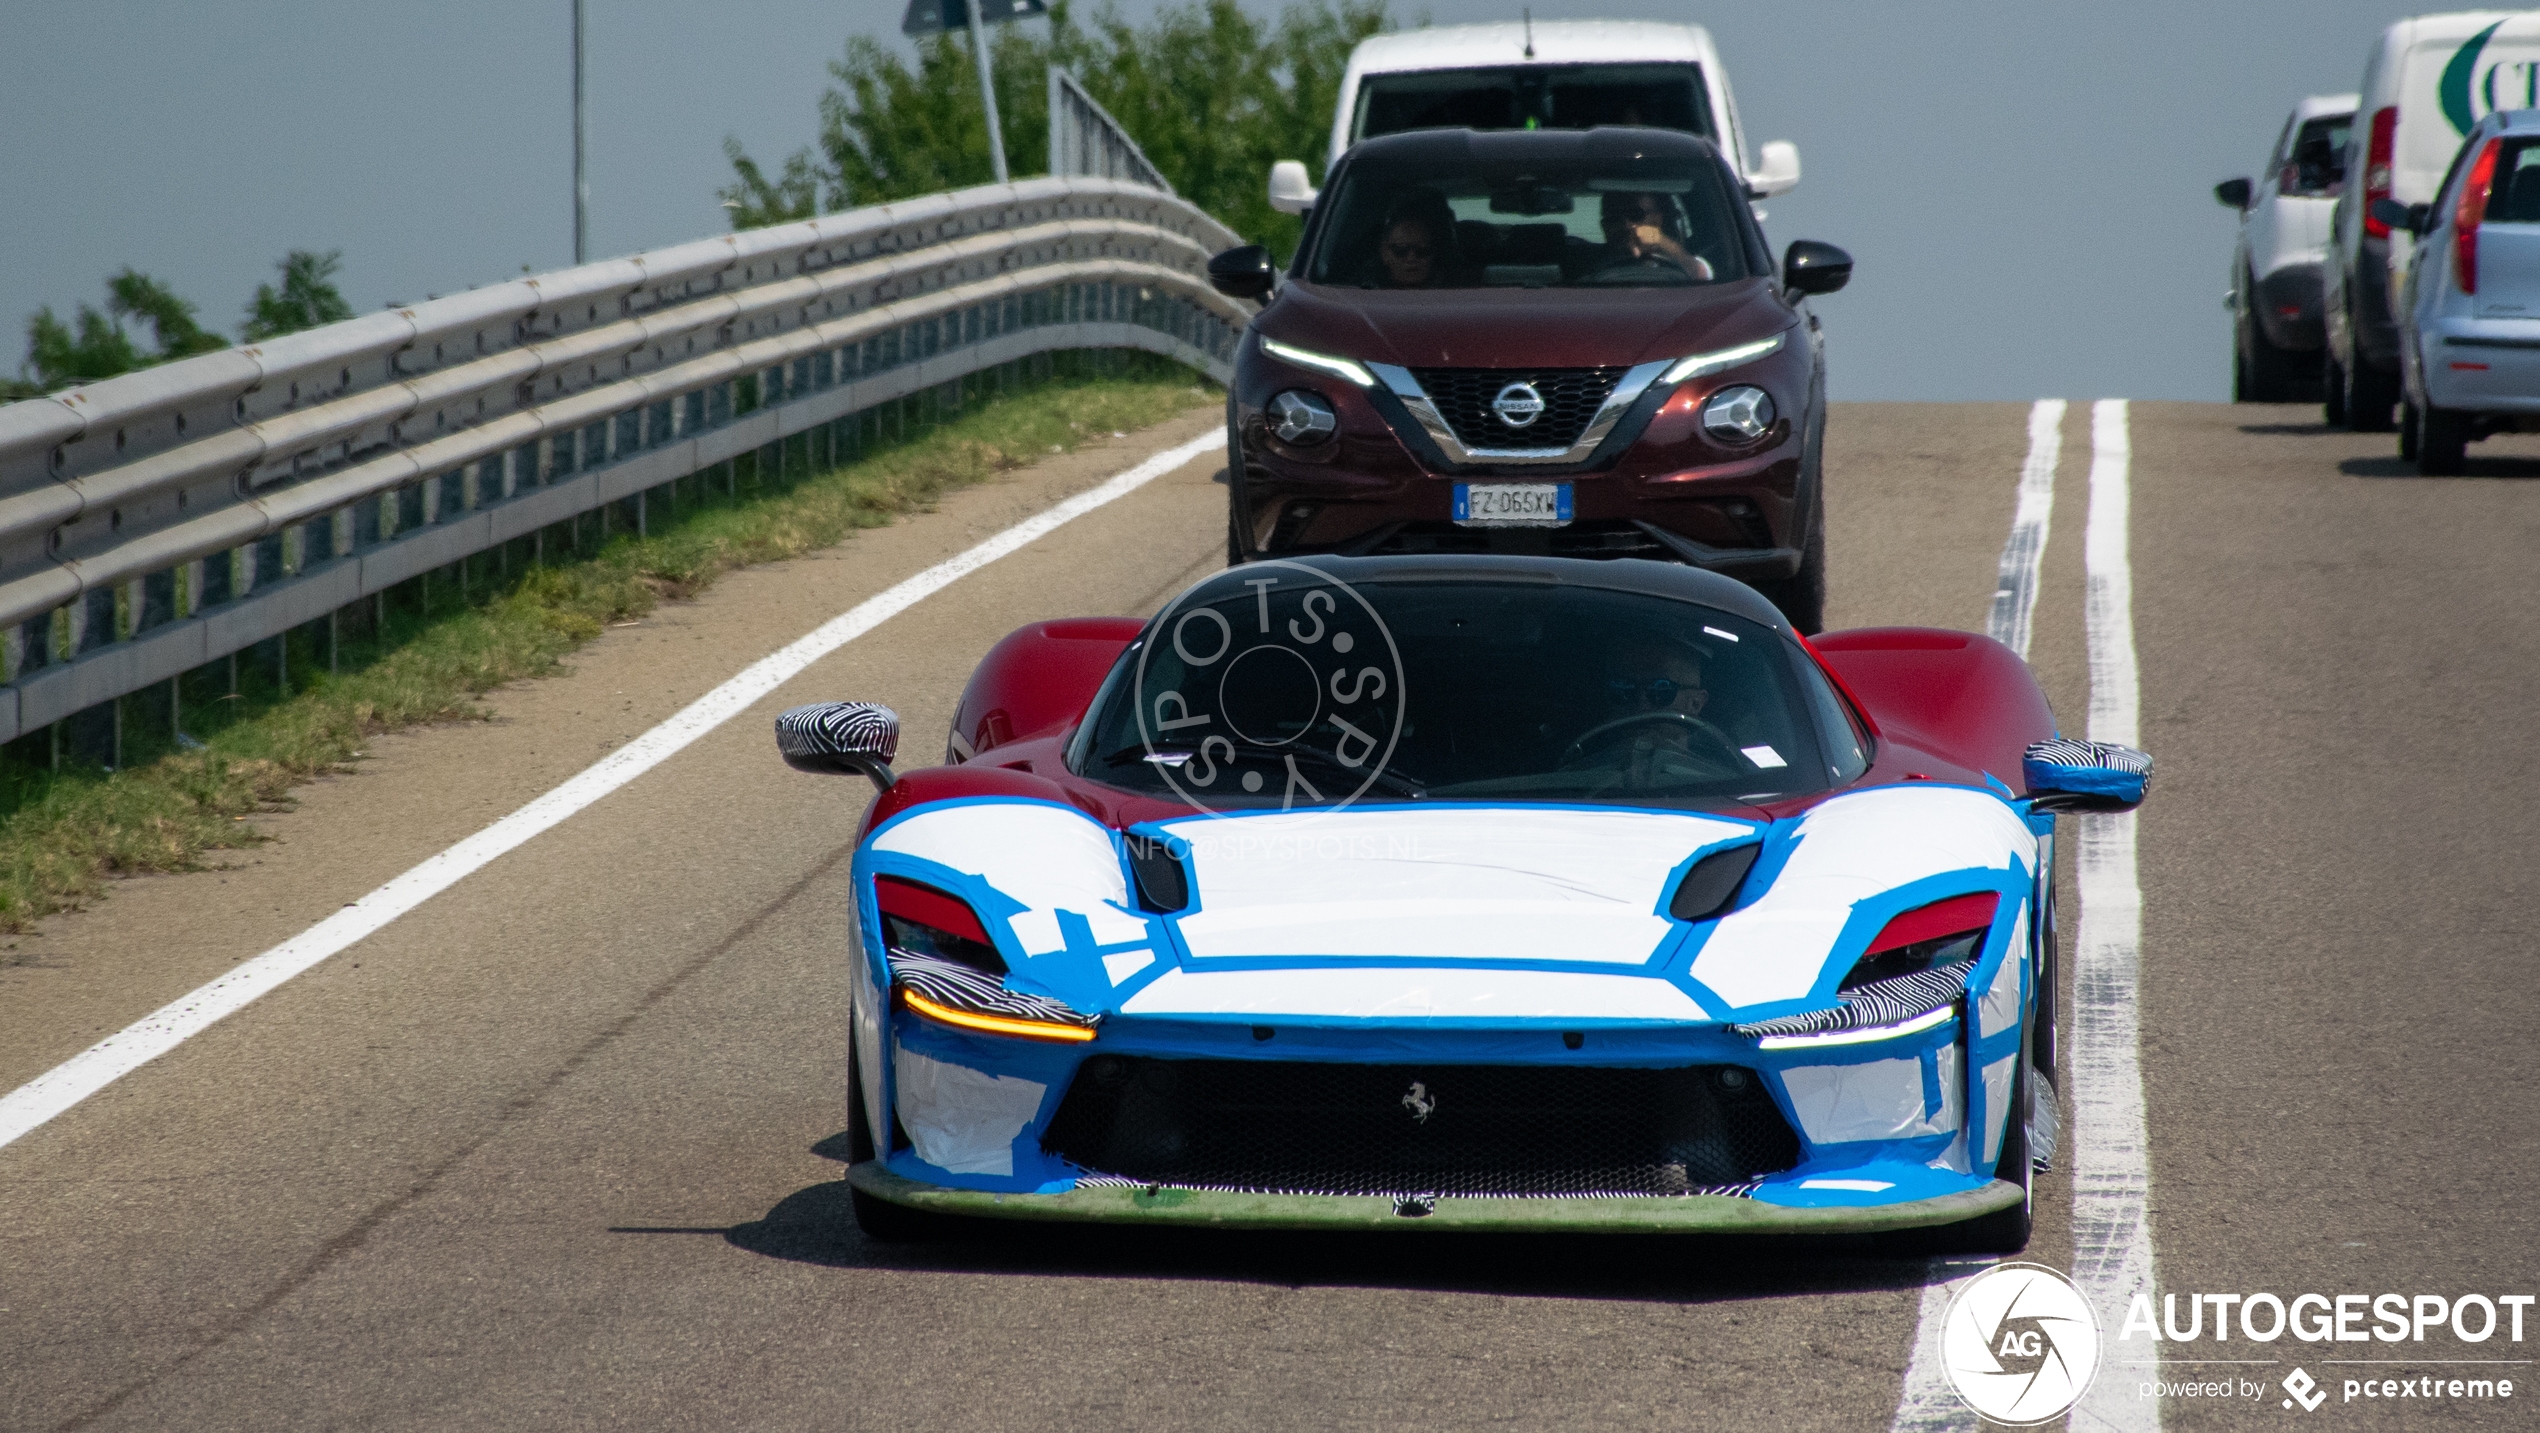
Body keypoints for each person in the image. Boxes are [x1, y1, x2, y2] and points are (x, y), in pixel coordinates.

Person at [1597, 191, 1714, 282]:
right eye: (1614, 218)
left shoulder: (1679, 257)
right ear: (1604, 225)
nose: (1626, 225)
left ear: (1658, 218)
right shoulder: (1587, 263)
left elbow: (1705, 277)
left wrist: (1664, 243)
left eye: (1635, 214)